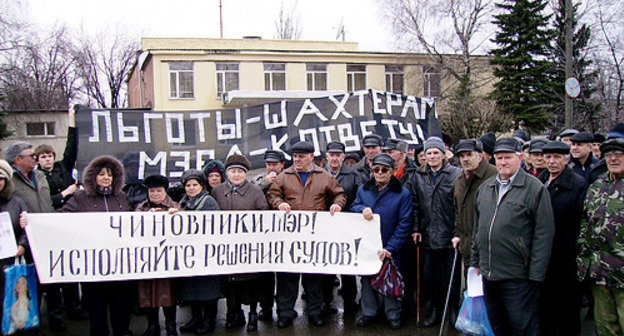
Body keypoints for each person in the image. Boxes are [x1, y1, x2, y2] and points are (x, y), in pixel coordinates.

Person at [34, 155, 135, 336]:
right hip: (92, 267)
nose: (106, 178)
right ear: (93, 176)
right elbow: (60, 217)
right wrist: (33, 222)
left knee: (121, 306)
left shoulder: (122, 197)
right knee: (96, 309)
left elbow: (137, 222)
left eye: (110, 175)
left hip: (120, 266)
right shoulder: (81, 197)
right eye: (101, 174)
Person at [471, 138, 555, 336]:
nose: (503, 162)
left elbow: (544, 234)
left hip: (518, 276)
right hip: (489, 274)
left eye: (508, 157)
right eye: (499, 158)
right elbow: (478, 228)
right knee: (497, 325)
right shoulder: (486, 188)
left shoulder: (534, 188)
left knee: (523, 327)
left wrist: (536, 274)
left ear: (520, 158)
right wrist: (476, 261)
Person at [267, 141, 346, 328]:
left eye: (301, 156)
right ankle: (285, 312)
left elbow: (340, 193)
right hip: (289, 236)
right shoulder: (284, 176)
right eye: (295, 157)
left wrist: (337, 204)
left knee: (313, 278)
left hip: (314, 236)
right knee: (287, 277)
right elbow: (272, 194)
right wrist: (278, 203)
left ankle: (315, 312)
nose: (297, 160)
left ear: (311, 157)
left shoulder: (324, 176)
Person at [33, 107, 87, 323]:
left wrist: (72, 121)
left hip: (68, 224)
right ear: (37, 159)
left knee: (71, 268)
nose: (47, 159)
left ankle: (74, 307)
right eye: (43, 157)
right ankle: (56, 314)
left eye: (50, 156)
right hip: (48, 227)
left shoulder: (61, 169)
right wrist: (66, 192)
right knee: (54, 271)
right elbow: (45, 202)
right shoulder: (36, 178)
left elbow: (71, 149)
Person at [351, 153, 412, 330]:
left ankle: (393, 314)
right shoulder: (363, 189)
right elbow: (353, 207)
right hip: (368, 245)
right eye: (376, 169)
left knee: (390, 278)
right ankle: (368, 312)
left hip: (389, 244)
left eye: (384, 170)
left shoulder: (402, 193)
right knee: (367, 279)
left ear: (391, 171)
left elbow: (404, 223)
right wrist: (362, 209)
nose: (379, 172)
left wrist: (391, 247)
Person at [211, 154, 269, 332]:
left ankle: (252, 314)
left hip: (249, 246)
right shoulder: (218, 191)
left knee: (251, 282)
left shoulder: (255, 191)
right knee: (231, 282)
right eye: (232, 171)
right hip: (226, 247)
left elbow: (264, 216)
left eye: (240, 172)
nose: (236, 175)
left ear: (246, 174)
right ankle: (234, 313)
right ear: (227, 173)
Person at [410, 136, 462, 327]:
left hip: (449, 235)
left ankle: (452, 310)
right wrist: (415, 229)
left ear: (443, 154)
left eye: (435, 153)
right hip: (427, 234)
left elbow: (460, 207)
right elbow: (415, 205)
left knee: (451, 277)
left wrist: (458, 232)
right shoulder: (418, 175)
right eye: (428, 153)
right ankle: (434, 309)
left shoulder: (456, 174)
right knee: (430, 277)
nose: (431, 156)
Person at [538, 141, 586, 336]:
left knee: (567, 312)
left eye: (557, 157)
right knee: (544, 310)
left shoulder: (577, 185)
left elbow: (581, 222)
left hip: (566, 258)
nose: (551, 161)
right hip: (542, 256)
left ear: (566, 159)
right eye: (548, 157)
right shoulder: (540, 181)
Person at [578, 138, 624, 336]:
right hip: (600, 274)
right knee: (605, 327)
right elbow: (584, 225)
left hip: (622, 273)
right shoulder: (596, 187)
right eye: (609, 155)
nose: (613, 158)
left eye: (619, 154)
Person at [176, 169, 221, 335]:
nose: (191, 188)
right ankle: (196, 318)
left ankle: (209, 321)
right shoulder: (183, 203)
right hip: (191, 254)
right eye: (188, 185)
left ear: (202, 186)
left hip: (206, 253)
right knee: (192, 288)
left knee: (208, 290)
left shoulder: (209, 202)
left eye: (195, 185)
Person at [135, 175, 181, 336]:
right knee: (148, 294)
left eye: (158, 191)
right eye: (152, 191)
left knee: (169, 294)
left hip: (168, 260)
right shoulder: (141, 208)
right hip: (147, 260)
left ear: (165, 191)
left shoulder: (175, 207)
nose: (155, 194)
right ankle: (152, 325)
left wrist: (176, 216)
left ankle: (170, 325)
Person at [322, 142, 363, 314]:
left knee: (348, 267)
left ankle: (349, 301)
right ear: (326, 157)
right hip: (324, 227)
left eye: (338, 155)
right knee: (326, 267)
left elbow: (359, 196)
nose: (335, 158)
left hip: (347, 225)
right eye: (332, 154)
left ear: (344, 157)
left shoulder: (354, 174)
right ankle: (326, 302)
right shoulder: (319, 173)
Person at [451, 139, 497, 278]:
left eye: (469, 154)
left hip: (489, 249)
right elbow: (458, 210)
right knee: (472, 292)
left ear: (480, 155)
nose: (465, 159)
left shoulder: (493, 176)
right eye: (462, 156)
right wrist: (457, 234)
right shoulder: (460, 179)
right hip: (467, 247)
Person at [0, 159, 29, 332]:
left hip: (10, 261)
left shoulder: (16, 203)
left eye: (0, 178)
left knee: (8, 298)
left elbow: (26, 230)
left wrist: (22, 245)